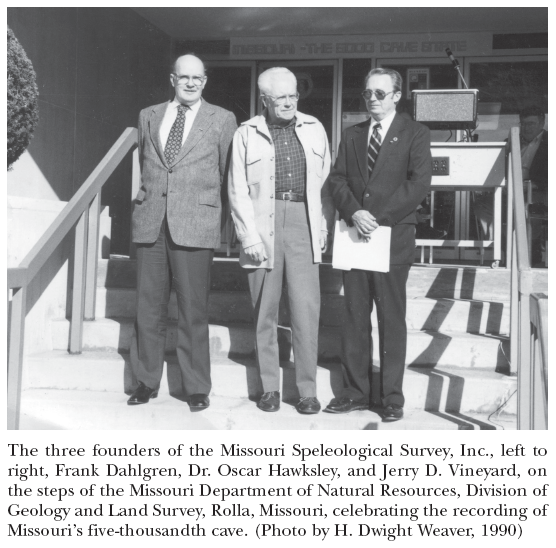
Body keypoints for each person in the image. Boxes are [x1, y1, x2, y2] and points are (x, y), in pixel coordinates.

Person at [127, 54, 237, 410]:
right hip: (151, 223)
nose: (191, 83)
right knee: (148, 307)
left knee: (193, 309)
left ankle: (196, 387)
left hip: (196, 224)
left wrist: (222, 225)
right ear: (172, 78)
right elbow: (148, 160)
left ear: (205, 81)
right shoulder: (149, 115)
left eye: (198, 78)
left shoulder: (222, 119)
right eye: (184, 77)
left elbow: (227, 174)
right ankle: (144, 381)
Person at [324, 67, 432, 421]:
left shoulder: (415, 133)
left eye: (380, 93)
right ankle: (355, 393)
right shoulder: (352, 134)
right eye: (368, 93)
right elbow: (337, 179)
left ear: (397, 95)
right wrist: (355, 213)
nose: (372, 99)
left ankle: (390, 399)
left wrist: (377, 217)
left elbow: (418, 184)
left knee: (390, 318)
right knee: (355, 317)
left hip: (392, 238)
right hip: (355, 237)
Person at [228, 67, 335, 414]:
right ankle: (269, 388)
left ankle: (307, 391)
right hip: (263, 225)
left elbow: (325, 186)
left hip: (303, 220)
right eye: (280, 98)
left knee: (306, 310)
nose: (288, 103)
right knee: (265, 312)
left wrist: (321, 227)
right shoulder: (246, 134)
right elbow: (238, 189)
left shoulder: (315, 128)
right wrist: (248, 236)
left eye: (293, 96)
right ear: (265, 101)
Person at [519, 105, 548, 266]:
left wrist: (536, 185)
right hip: (510, 192)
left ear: (541, 124)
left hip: (539, 192)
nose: (526, 127)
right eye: (522, 123)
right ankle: (503, 247)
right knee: (484, 207)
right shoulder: (511, 142)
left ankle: (532, 257)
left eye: (530, 123)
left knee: (530, 210)